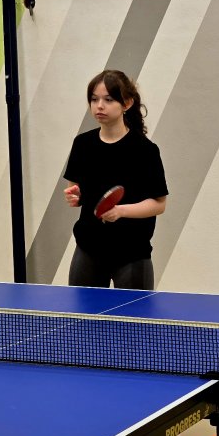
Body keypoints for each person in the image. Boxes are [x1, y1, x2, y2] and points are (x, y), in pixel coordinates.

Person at [64, 70, 168, 292]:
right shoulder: (83, 144)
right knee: (81, 315)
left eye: (109, 100)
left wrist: (121, 211)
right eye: (94, 99)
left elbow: (159, 204)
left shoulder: (145, 151)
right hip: (88, 248)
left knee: (134, 315)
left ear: (127, 103)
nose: (99, 106)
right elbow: (78, 190)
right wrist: (76, 196)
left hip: (132, 253)